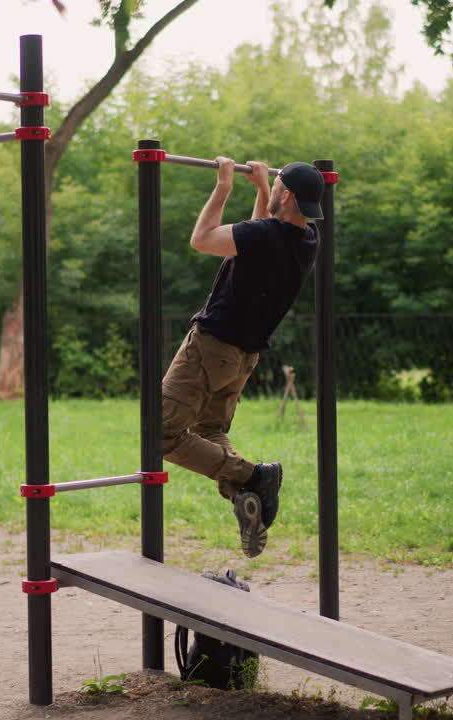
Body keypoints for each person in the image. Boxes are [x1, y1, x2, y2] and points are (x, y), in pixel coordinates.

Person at [162, 157, 325, 557]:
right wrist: (263, 190)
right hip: (241, 359)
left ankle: (253, 476)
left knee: (160, 432)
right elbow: (256, 236)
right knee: (209, 430)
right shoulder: (308, 240)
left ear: (287, 196)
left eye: (278, 186)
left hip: (210, 348)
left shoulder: (267, 236)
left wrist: (224, 186)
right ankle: (246, 492)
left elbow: (202, 239)